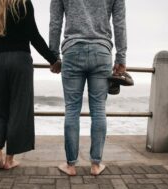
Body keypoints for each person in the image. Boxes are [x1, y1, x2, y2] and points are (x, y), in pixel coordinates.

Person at [0, 0, 61, 170]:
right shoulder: (22, 4)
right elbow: (34, 35)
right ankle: (9, 159)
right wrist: (52, 60)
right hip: (20, 60)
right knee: (18, 108)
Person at [49, 0, 127, 175]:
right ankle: (95, 165)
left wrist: (53, 55)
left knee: (72, 110)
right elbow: (119, 23)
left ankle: (70, 165)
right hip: (101, 51)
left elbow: (55, 22)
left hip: (72, 51)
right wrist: (121, 58)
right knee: (99, 109)